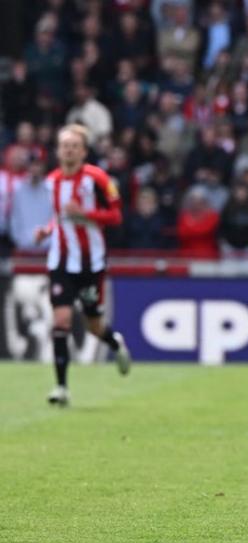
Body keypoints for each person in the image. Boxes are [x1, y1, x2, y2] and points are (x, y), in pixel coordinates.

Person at [33, 124, 131, 407]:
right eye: (64, 145)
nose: (69, 150)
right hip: (61, 262)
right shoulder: (51, 181)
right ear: (57, 150)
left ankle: (115, 344)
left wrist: (85, 214)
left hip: (90, 264)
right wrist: (47, 231)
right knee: (61, 320)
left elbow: (116, 216)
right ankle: (61, 387)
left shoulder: (97, 179)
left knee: (93, 325)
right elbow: (60, 218)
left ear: (84, 151)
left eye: (74, 145)